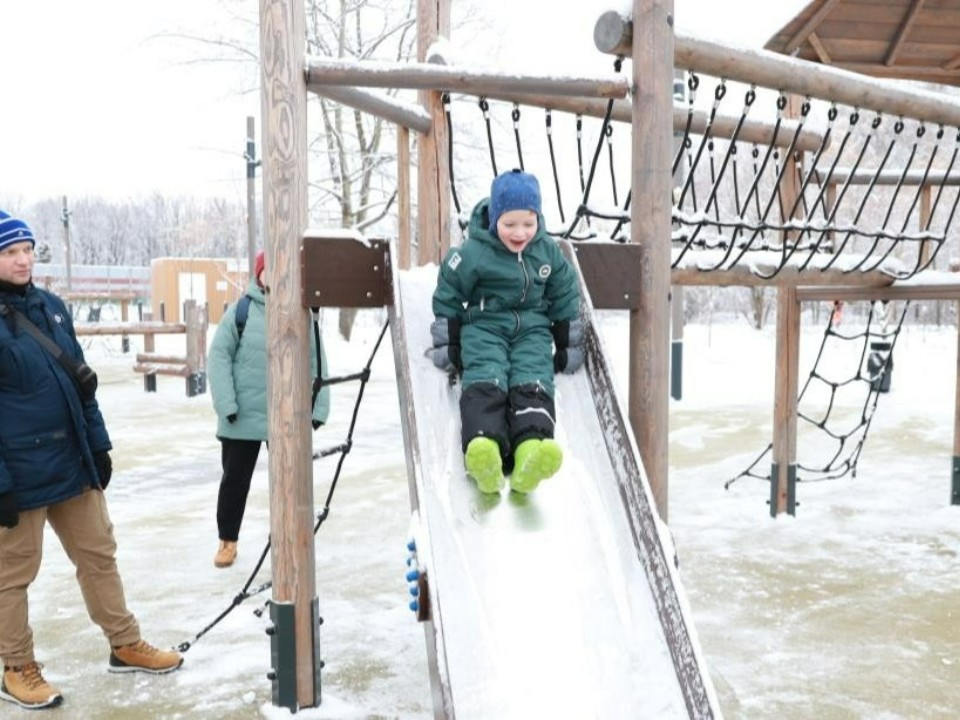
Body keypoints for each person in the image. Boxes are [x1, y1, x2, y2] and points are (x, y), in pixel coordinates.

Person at [0, 210, 183, 710]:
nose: (22, 259)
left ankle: (124, 644)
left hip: (71, 461)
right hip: (17, 474)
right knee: (12, 576)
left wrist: (98, 445)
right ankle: (16, 666)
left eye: (27, 249)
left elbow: (82, 383)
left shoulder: (52, 307)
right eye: (10, 252)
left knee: (99, 555)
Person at [429, 169, 585, 495]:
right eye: (509, 224)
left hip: (533, 330)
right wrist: (449, 339)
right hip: (484, 327)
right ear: (494, 219)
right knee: (487, 376)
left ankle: (532, 449)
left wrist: (565, 338)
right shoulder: (475, 251)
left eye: (528, 224)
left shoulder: (546, 250)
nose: (519, 233)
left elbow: (566, 290)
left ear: (538, 219)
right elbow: (449, 288)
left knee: (533, 376)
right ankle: (484, 447)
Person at [208, 249, 331, 568]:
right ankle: (227, 540)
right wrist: (226, 404)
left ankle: (293, 537)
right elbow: (218, 358)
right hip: (242, 416)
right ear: (258, 274)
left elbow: (317, 360)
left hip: (286, 417)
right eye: (267, 270)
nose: (272, 277)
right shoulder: (241, 312)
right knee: (235, 481)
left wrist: (317, 408)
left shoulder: (299, 313)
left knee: (293, 480)